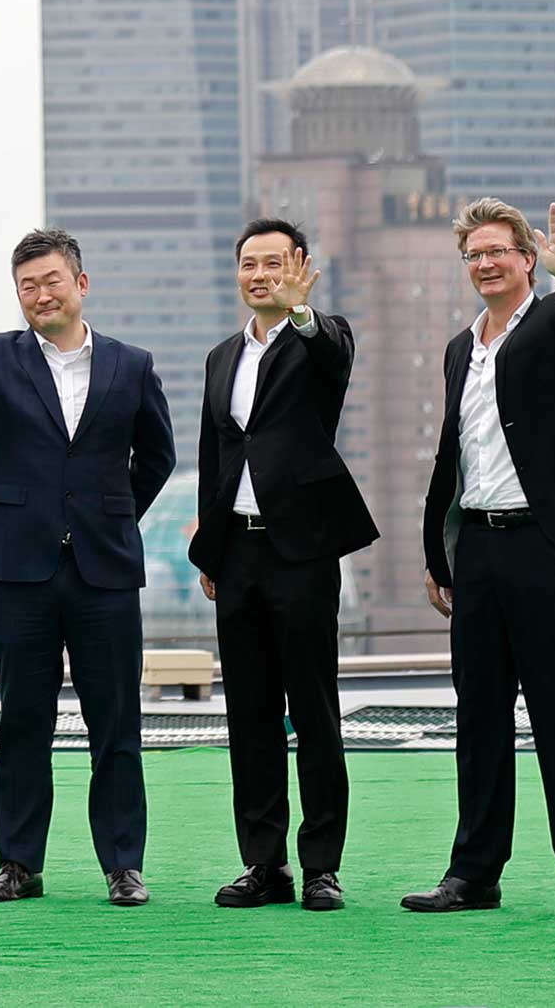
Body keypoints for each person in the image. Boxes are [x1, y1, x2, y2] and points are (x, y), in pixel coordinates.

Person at [0, 229, 175, 907]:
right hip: (20, 565)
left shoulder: (131, 363)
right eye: (28, 284)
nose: (41, 293)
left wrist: (113, 515)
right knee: (22, 720)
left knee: (115, 722)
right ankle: (19, 864)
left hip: (104, 568)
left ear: (81, 284)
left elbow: (158, 457)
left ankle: (123, 863)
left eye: (52, 279)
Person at [405, 200, 555, 924]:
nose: (484, 263)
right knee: (478, 716)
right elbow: (457, 453)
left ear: (527, 260)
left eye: (498, 251)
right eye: (474, 254)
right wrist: (438, 554)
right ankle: (474, 872)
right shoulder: (458, 347)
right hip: (475, 546)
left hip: (547, 546)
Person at [188, 220, 377, 913]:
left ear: (299, 266)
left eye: (273, 262)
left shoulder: (319, 338)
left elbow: (332, 357)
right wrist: (210, 546)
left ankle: (323, 863)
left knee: (315, 709)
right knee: (251, 714)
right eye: (247, 263)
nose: (258, 273)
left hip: (300, 550)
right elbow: (216, 453)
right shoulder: (219, 357)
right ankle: (263, 862)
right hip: (236, 553)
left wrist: (304, 312)